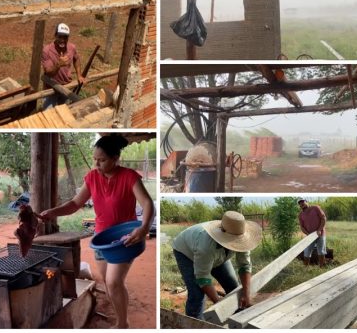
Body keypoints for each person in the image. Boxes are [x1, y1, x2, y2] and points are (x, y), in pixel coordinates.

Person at [39, 134, 154, 329]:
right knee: (109, 283)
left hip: (125, 239)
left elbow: (147, 203)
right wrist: (53, 212)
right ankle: (122, 318)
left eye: (102, 160)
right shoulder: (92, 178)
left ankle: (122, 324)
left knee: (114, 281)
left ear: (115, 158)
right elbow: (75, 203)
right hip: (101, 238)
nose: (97, 164)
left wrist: (143, 229)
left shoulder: (129, 177)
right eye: (95, 160)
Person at [172, 211, 261, 320]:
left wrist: (246, 295)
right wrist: (218, 304)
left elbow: (245, 266)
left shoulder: (241, 237)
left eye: (238, 241)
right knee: (197, 294)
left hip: (216, 255)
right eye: (234, 241)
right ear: (223, 236)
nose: (236, 243)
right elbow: (203, 276)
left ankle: (238, 317)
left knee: (233, 285)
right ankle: (195, 323)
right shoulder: (206, 246)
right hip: (186, 253)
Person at [41, 23, 85, 109]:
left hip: (66, 86)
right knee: (49, 114)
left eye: (65, 37)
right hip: (51, 87)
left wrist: (79, 75)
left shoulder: (72, 47)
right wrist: (58, 65)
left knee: (64, 112)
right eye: (60, 36)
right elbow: (48, 73)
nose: (62, 40)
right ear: (55, 35)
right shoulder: (47, 50)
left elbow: (76, 59)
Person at [298, 199, 327, 266]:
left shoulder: (315, 208)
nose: (301, 204)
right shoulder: (300, 215)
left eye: (303, 202)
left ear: (307, 202)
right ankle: (306, 268)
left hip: (320, 233)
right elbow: (302, 227)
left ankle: (322, 267)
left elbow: (323, 218)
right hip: (310, 236)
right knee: (307, 252)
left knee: (321, 251)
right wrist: (308, 234)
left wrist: (319, 230)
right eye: (300, 204)